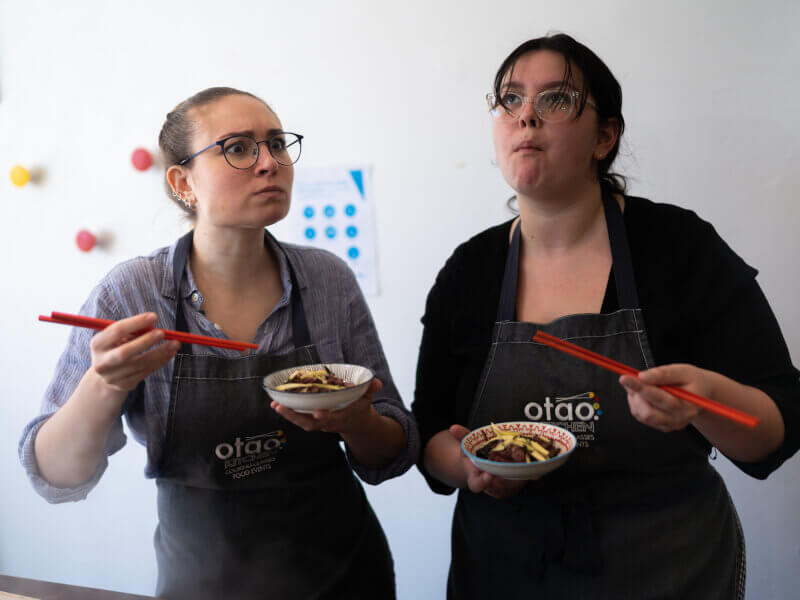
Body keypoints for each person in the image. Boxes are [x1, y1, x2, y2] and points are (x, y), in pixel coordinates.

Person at [412, 33, 800, 599]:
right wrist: (466, 465)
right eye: (510, 99)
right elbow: (428, 438)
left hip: (670, 570)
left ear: (606, 136)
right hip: (508, 572)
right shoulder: (469, 271)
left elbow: (777, 426)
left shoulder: (678, 247)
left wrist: (709, 400)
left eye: (555, 100)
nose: (526, 117)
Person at [19, 87, 418, 600]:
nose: (269, 162)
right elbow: (54, 476)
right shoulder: (132, 293)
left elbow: (393, 451)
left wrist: (356, 419)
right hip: (203, 584)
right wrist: (104, 383)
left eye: (277, 143)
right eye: (238, 148)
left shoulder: (327, 279)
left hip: (340, 575)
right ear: (182, 181)